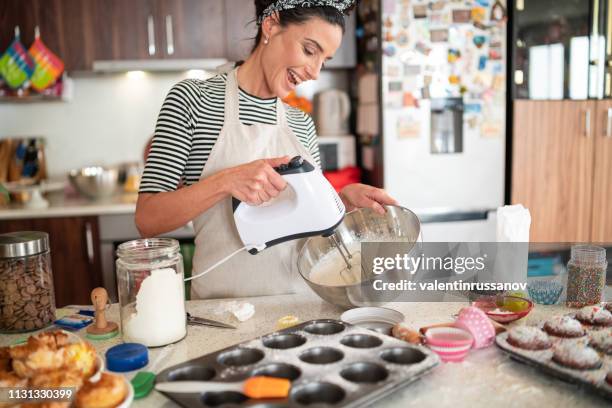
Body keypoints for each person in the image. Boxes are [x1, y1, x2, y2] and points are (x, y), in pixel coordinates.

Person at [135, 0, 397, 299]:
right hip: (222, 314)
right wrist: (227, 181)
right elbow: (148, 219)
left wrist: (340, 202)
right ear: (270, 25)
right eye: (310, 51)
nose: (314, 72)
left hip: (301, 308)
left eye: (324, 60)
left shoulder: (301, 123)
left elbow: (307, 220)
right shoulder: (193, 100)